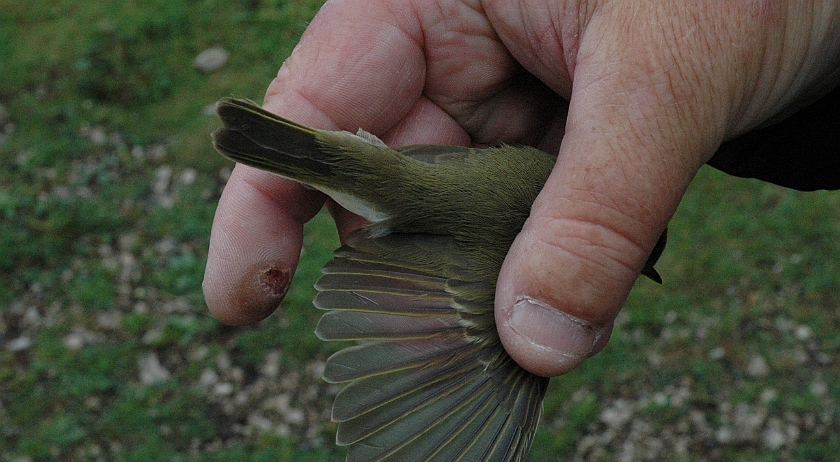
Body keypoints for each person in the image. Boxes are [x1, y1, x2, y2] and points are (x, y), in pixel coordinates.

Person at [203, 0, 840, 378]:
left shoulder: (548, 168)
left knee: (362, 170)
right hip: (411, 197)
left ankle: (312, 154)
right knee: (509, 362)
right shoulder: (531, 243)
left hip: (420, 170)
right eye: (639, 254)